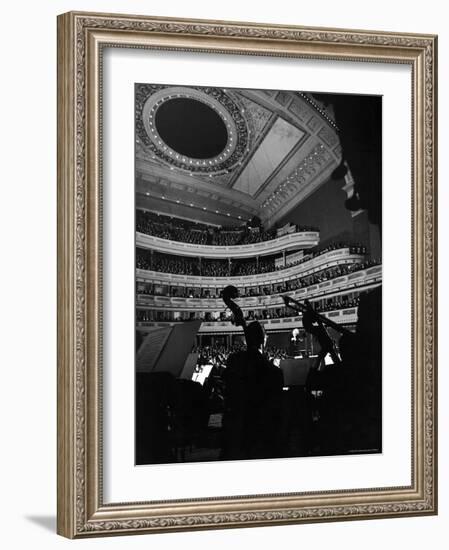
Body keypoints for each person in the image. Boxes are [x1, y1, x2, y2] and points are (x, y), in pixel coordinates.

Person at [221, 321, 284, 460]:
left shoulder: (233, 360)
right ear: (263, 340)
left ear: (246, 339)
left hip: (234, 433)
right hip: (260, 435)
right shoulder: (274, 373)